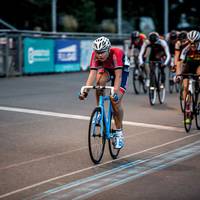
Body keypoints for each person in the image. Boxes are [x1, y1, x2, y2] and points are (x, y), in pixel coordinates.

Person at [79, 36, 130, 149]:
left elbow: (118, 76)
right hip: (106, 68)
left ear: (108, 49)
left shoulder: (116, 53)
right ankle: (99, 109)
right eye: (97, 52)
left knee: (115, 102)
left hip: (121, 70)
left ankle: (119, 133)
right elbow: (92, 74)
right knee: (99, 82)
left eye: (102, 52)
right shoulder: (95, 55)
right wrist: (85, 91)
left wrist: (115, 93)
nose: (99, 55)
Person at [176, 30, 200, 122]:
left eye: (195, 43)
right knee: (185, 86)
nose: (193, 45)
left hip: (198, 65)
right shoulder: (186, 49)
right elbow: (180, 62)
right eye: (191, 43)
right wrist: (178, 75)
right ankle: (187, 107)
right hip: (189, 66)